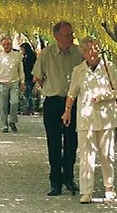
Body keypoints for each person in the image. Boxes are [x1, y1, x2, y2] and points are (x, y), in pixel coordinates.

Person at [61, 37, 117, 204]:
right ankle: (86, 191)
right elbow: (72, 93)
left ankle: (109, 188)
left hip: (107, 117)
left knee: (107, 155)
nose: (92, 52)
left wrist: (104, 96)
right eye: (88, 50)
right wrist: (67, 111)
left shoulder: (109, 67)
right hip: (85, 118)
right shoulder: (78, 71)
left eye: (95, 48)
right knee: (86, 156)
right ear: (83, 52)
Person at [32, 21, 82, 196]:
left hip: (74, 103)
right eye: (67, 34)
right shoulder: (46, 54)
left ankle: (68, 177)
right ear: (57, 36)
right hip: (53, 102)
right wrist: (50, 88)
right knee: (54, 143)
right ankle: (55, 182)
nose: (71, 37)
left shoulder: (78, 52)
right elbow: (37, 77)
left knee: (71, 142)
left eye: (72, 34)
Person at [0, 36, 25, 133]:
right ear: (2, 45)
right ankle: (4, 125)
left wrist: (22, 82)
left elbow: (20, 69)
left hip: (14, 82)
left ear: (11, 44)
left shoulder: (17, 55)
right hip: (2, 83)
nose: (6, 46)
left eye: (8, 44)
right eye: (4, 44)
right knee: (3, 106)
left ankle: (13, 121)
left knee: (14, 102)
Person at [20, 42, 37, 115]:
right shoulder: (24, 57)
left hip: (30, 76)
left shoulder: (32, 55)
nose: (22, 50)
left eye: (22, 49)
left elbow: (35, 66)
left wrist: (35, 76)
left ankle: (30, 109)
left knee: (28, 93)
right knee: (26, 93)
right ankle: (28, 108)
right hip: (25, 76)